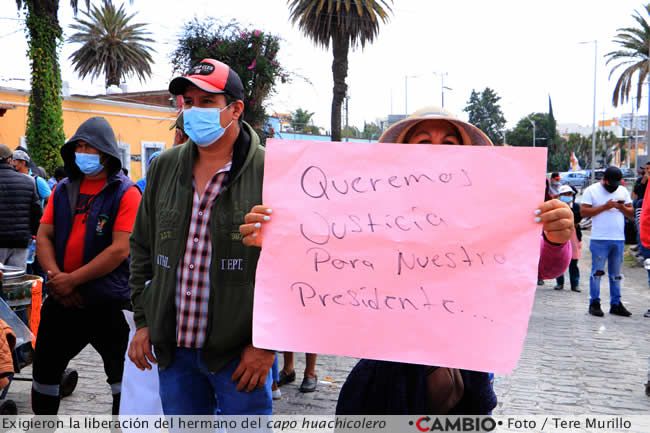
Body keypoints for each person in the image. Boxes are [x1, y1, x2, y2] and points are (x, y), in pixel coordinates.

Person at [240, 107, 573, 414]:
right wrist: (276, 239)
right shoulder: (372, 206)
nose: (437, 148)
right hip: (390, 368)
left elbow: (543, 267)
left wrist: (556, 240)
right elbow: (327, 257)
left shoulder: (492, 209)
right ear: (404, 151)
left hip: (467, 369)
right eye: (424, 140)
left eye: (449, 142)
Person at [128, 59, 274, 416]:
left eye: (207, 102)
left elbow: (291, 269)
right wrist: (145, 322)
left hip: (240, 353)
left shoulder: (271, 171)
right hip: (175, 350)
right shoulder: (164, 166)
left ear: (235, 109)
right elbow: (142, 248)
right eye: (188, 102)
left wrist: (266, 345)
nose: (194, 111)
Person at [32, 117, 141, 414]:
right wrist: (57, 279)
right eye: (78, 146)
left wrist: (74, 280)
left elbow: (119, 249)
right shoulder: (64, 189)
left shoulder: (126, 192)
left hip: (109, 302)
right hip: (61, 300)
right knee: (44, 376)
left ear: (106, 152)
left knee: (123, 381)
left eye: (89, 146)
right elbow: (44, 235)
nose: (83, 152)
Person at [580, 166, 634, 317]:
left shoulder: (622, 191)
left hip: (618, 238)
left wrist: (621, 207)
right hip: (599, 238)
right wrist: (605, 207)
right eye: (611, 184)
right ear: (604, 180)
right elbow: (584, 212)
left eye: (616, 184)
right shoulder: (591, 190)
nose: (613, 187)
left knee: (616, 274)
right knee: (597, 272)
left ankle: (616, 304)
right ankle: (594, 303)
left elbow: (631, 214)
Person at [0, 144, 42, 270]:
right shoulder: (28, 181)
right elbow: (37, 213)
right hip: (20, 241)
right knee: (16, 283)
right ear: (10, 159)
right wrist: (34, 234)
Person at [553, 185, 582, 292]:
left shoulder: (576, 207)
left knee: (574, 261)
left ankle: (575, 284)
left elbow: (578, 220)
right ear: (560, 196)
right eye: (565, 194)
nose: (568, 196)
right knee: (559, 259)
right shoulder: (556, 207)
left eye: (569, 194)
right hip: (560, 234)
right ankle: (559, 283)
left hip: (573, 235)